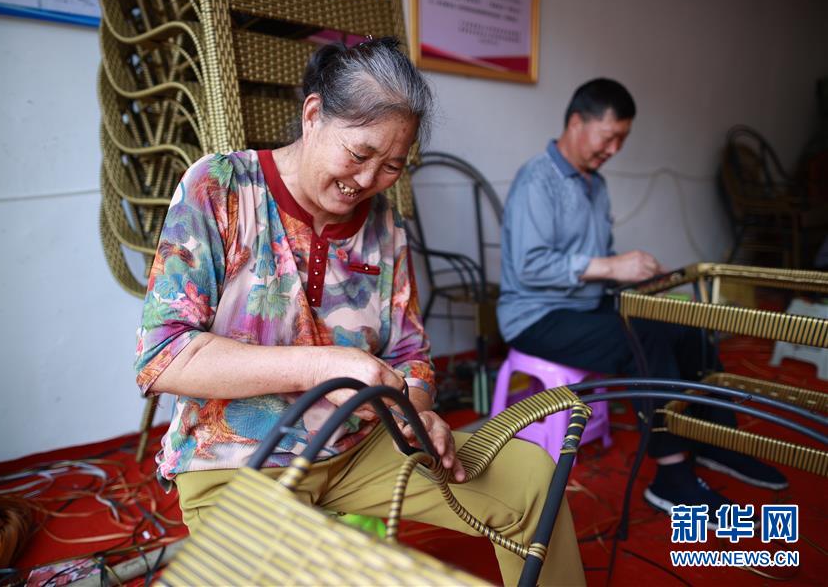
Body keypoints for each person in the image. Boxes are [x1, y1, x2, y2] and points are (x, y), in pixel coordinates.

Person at [135, 37, 585, 586]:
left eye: (392, 165)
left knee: (531, 478)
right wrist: (325, 365)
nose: (368, 181)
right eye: (359, 154)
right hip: (237, 462)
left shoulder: (385, 225)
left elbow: (410, 353)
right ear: (313, 116)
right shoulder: (221, 186)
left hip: (361, 445)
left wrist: (416, 411)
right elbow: (163, 357)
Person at [497, 78, 787, 525]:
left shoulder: (596, 185)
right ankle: (671, 476)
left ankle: (716, 441)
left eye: (623, 139)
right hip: (536, 316)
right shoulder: (537, 179)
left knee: (687, 325)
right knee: (644, 338)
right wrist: (614, 266)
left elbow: (595, 263)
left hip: (586, 306)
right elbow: (529, 265)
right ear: (576, 122)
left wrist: (638, 276)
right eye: (609, 136)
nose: (614, 149)